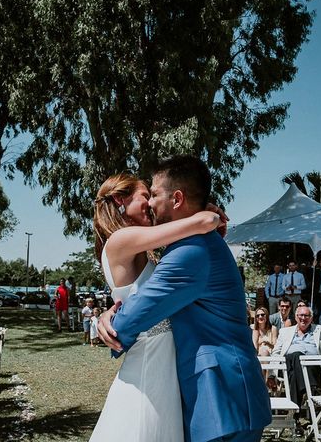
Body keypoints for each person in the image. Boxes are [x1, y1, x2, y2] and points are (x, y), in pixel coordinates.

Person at [97, 155, 271, 442]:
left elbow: (140, 310)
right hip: (205, 389)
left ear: (176, 199)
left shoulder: (190, 251)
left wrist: (114, 324)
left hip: (221, 394)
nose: (151, 203)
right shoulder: (187, 242)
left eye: (153, 194)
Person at [272, 305, 321, 420]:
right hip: (287, 367)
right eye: (301, 315)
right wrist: (272, 373)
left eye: (306, 315)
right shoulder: (285, 332)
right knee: (296, 355)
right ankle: (309, 389)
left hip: (313, 369)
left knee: (296, 374)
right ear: (296, 317)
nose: (303, 318)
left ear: (311, 318)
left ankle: (295, 416)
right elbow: (276, 353)